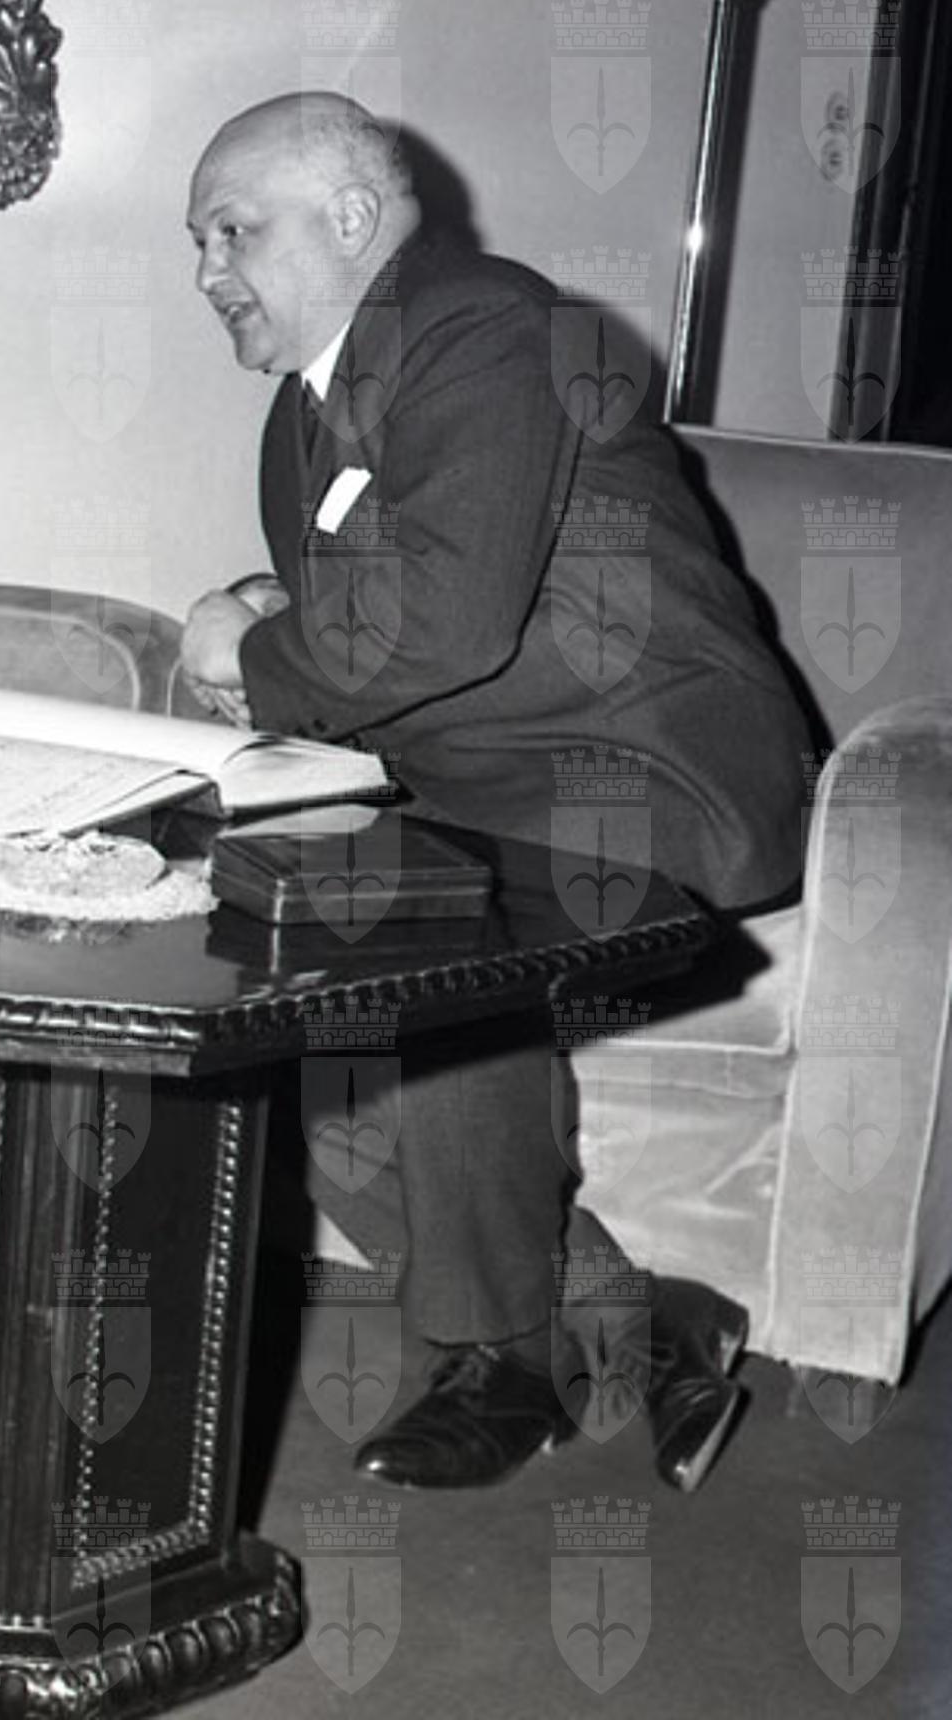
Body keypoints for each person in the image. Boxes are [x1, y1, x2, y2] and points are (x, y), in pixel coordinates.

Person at [179, 93, 813, 1491]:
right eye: (198, 244)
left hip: (641, 769)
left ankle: (499, 1365)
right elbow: (395, 592)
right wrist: (268, 611)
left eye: (231, 231)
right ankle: (636, 1319)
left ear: (352, 218)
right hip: (481, 780)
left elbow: (446, 619)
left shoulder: (479, 322)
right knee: (300, 1028)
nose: (207, 271)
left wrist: (253, 654)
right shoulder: (306, 410)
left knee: (432, 973)